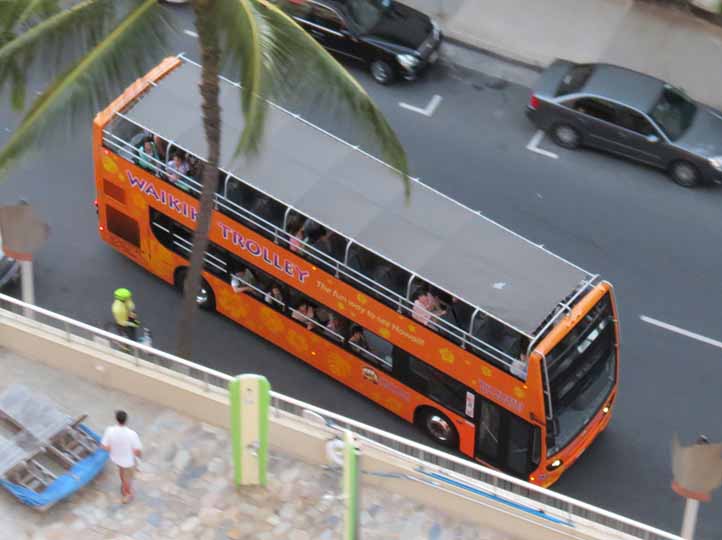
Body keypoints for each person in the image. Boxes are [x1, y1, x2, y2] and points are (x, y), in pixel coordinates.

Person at [101, 410, 142, 504]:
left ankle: (123, 485)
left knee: (122, 471)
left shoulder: (109, 430)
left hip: (116, 458)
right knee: (129, 478)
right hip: (128, 461)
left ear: (116, 419)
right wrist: (138, 461)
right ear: (126, 420)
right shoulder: (132, 434)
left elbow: (103, 446)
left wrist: (114, 450)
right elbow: (137, 450)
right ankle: (128, 494)